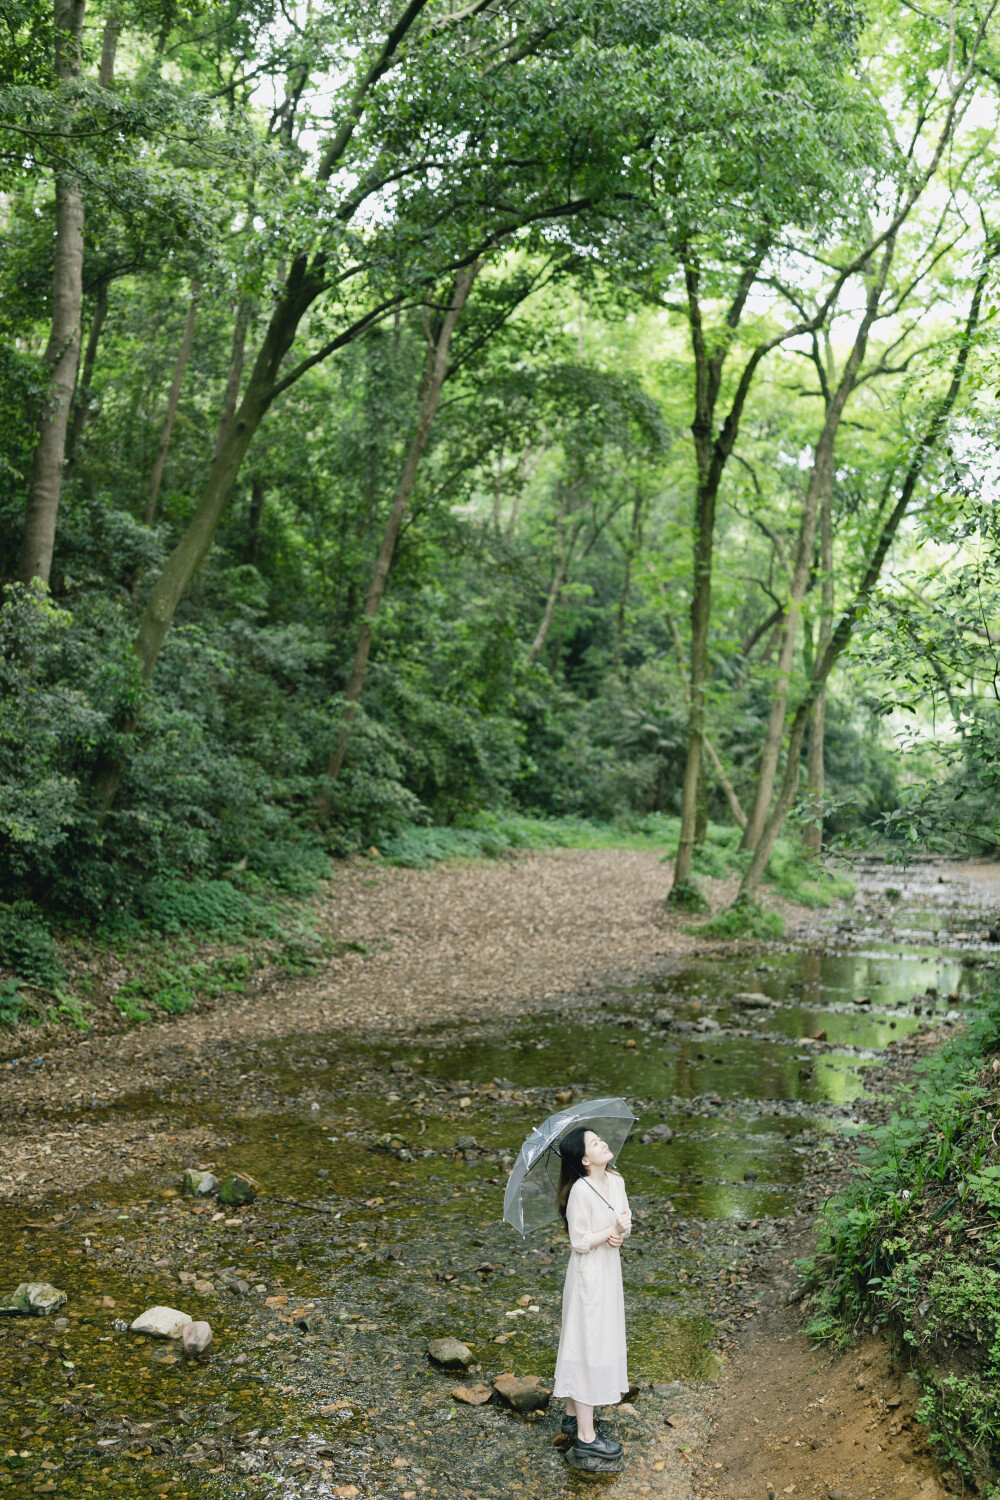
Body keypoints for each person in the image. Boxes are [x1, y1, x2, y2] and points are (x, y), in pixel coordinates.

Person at [552, 1125, 632, 1464]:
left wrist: (620, 1235)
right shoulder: (581, 1191)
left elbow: (624, 1220)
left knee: (598, 1338)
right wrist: (608, 1232)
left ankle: (572, 1413)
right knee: (586, 1344)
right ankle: (585, 1438)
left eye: (601, 1138)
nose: (603, 1142)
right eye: (594, 1143)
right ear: (584, 1159)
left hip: (609, 1270)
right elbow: (579, 1242)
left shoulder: (616, 1181)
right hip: (588, 1276)